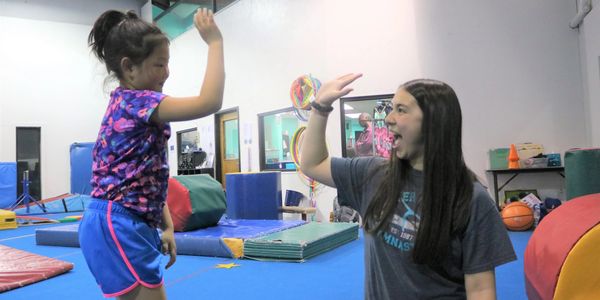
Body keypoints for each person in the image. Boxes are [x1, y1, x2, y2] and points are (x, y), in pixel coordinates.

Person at [300, 74, 516, 299]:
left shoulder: (471, 198)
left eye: (401, 110)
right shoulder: (372, 174)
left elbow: (481, 289)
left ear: (434, 121)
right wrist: (320, 108)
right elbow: (312, 164)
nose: (388, 118)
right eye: (392, 109)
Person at [79, 8, 224, 300]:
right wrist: (215, 43)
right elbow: (210, 102)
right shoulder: (137, 102)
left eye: (167, 63)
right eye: (159, 64)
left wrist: (167, 226)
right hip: (117, 222)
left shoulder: (132, 105)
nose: (166, 72)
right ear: (129, 68)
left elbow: (146, 176)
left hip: (125, 221)